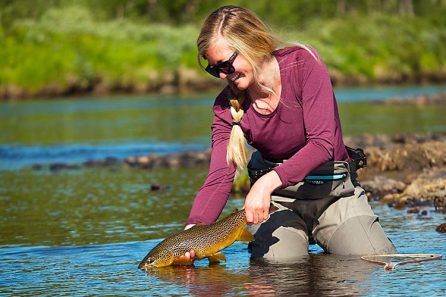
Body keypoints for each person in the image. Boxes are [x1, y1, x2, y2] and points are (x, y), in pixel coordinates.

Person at [181, 5, 395, 263]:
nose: (223, 75)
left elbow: (322, 144)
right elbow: (218, 177)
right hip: (276, 205)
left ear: (252, 41)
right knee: (280, 269)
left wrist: (265, 182)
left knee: (374, 260)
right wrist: (194, 230)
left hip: (334, 193)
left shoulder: (304, 64)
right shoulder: (225, 107)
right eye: (215, 69)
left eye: (226, 64)